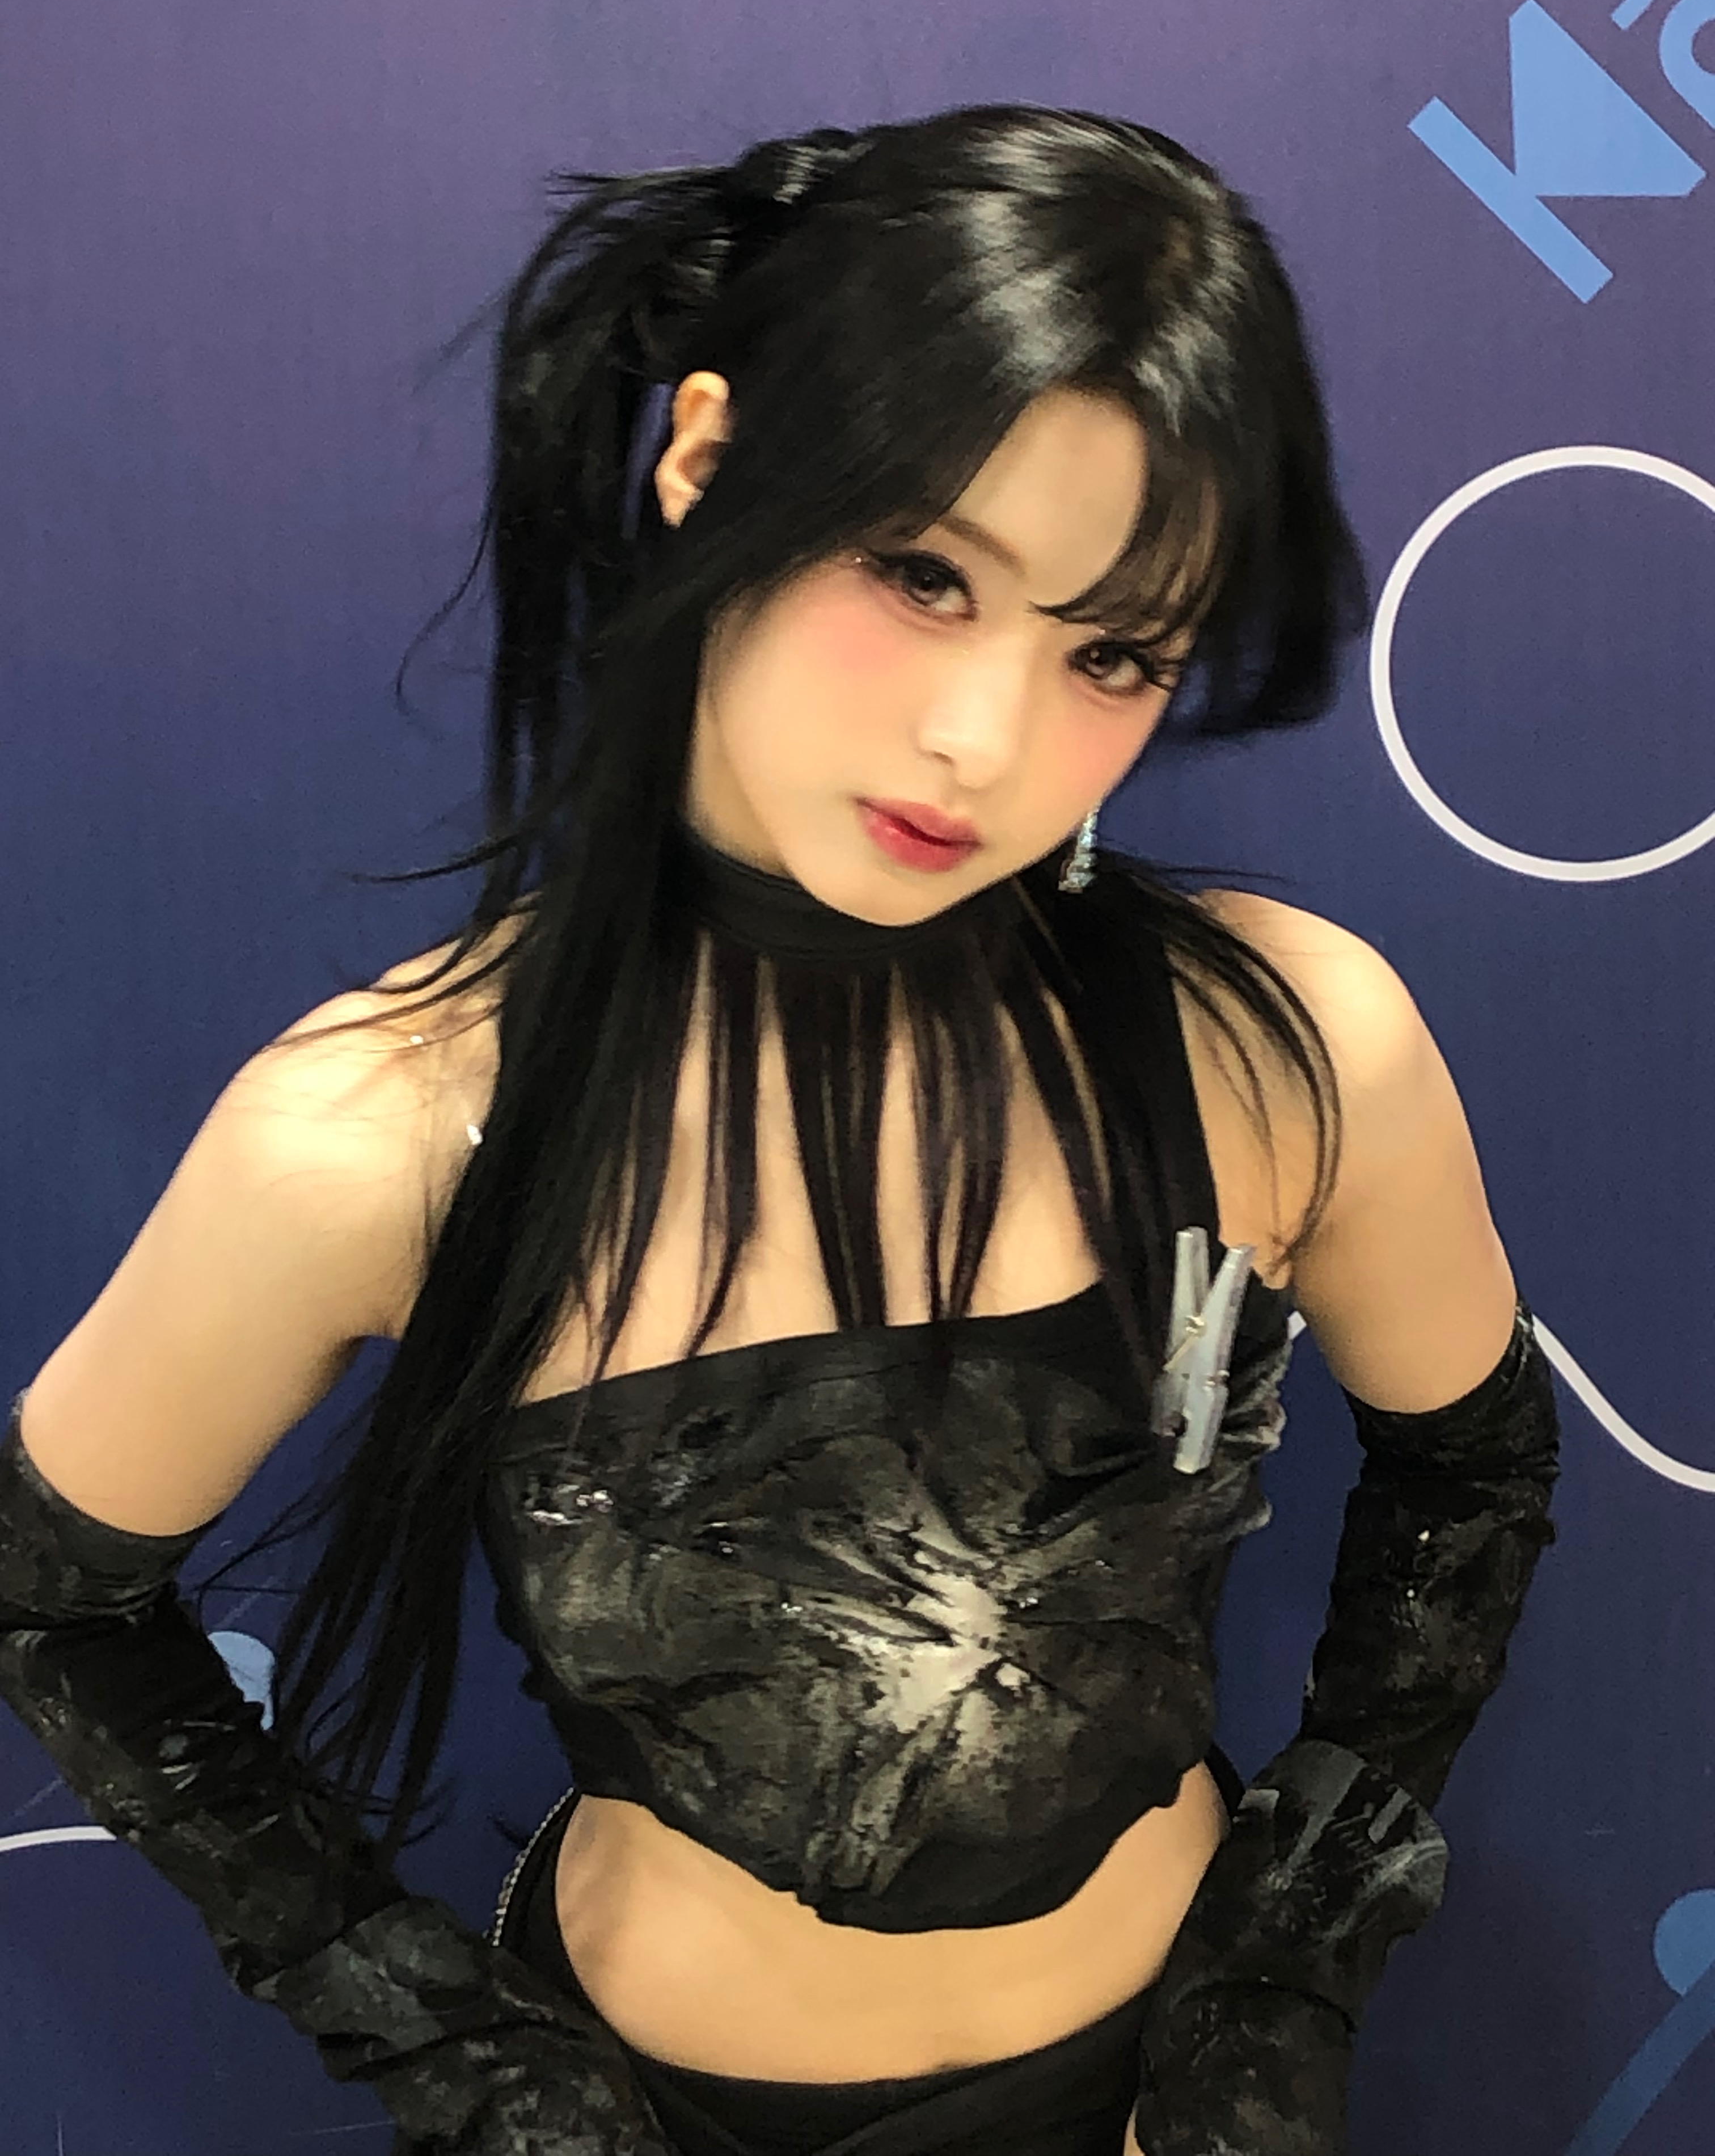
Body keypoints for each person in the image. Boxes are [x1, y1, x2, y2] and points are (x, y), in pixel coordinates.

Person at [0, 105, 1558, 2155]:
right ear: (707, 459)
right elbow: (57, 1597)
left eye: (1111, 652)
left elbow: (1472, 1464)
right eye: (921, 573)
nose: (983, 741)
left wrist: (1279, 1993)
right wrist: (472, 2066)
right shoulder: (380, 1138)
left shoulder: (1282, 1049)